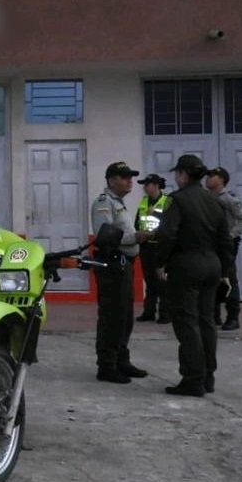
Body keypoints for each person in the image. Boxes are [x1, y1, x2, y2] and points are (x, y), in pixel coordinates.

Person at [155, 154, 234, 396]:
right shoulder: (214, 201)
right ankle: (208, 377)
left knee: (187, 323)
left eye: (177, 173)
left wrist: (160, 262)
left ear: (183, 175)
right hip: (212, 266)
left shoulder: (176, 200)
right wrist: (226, 271)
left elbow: (167, 234)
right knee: (206, 321)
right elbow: (225, 240)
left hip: (186, 266)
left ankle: (193, 379)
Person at [90, 161, 151, 384]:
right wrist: (136, 237)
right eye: (124, 177)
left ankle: (121, 359)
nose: (130, 181)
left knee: (125, 316)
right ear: (111, 180)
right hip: (112, 265)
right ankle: (107, 365)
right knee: (112, 316)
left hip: (124, 265)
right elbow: (105, 235)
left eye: (130, 177)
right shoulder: (104, 203)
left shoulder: (119, 204)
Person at [205, 166, 242, 331]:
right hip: (210, 244)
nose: (208, 178)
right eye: (208, 175)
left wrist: (230, 236)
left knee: (229, 279)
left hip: (225, 245)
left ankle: (233, 318)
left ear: (221, 180)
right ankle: (214, 315)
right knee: (211, 278)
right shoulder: (206, 197)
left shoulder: (229, 199)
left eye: (212, 176)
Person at [134, 174, 170, 324]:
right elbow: (137, 222)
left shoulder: (167, 201)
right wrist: (139, 234)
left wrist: (155, 215)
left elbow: (169, 224)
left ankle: (165, 314)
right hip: (146, 246)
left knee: (162, 281)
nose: (144, 188)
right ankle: (149, 312)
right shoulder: (144, 201)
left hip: (160, 246)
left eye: (147, 185)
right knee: (149, 281)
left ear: (156, 185)